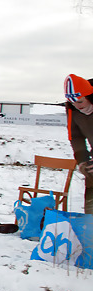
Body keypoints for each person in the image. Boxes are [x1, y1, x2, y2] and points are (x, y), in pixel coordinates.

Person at [65, 73, 93, 214]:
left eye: (80, 101)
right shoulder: (72, 110)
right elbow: (75, 136)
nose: (77, 106)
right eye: (73, 103)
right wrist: (82, 160)